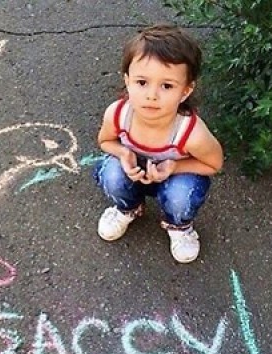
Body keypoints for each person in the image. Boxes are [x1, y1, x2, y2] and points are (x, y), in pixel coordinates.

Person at [93, 24, 223, 263]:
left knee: (181, 195)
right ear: (128, 80)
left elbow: (214, 164)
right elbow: (105, 141)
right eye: (142, 82)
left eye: (167, 86)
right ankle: (128, 207)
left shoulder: (191, 132)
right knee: (111, 173)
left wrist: (174, 167)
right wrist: (123, 153)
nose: (152, 95)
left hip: (174, 176)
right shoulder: (118, 114)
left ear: (185, 90)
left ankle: (178, 225)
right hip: (134, 172)